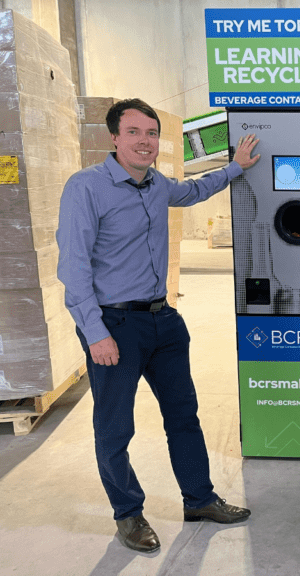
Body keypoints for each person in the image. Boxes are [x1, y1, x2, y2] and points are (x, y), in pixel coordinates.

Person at [56, 99, 260, 553]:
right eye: (134, 132)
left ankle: (200, 499)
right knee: (114, 429)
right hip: (115, 324)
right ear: (114, 137)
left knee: (183, 416)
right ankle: (128, 515)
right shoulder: (86, 188)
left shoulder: (155, 185)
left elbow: (192, 191)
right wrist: (95, 333)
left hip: (163, 320)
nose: (145, 141)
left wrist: (235, 168)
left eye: (151, 132)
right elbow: (72, 268)